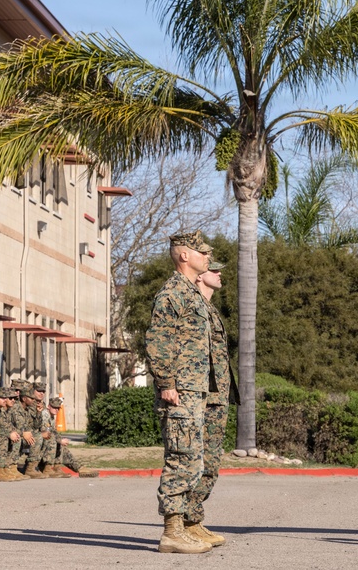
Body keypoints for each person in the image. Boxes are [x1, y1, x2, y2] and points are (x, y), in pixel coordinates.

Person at [145, 230, 216, 554]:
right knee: (181, 457)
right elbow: (158, 341)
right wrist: (167, 384)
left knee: (193, 460)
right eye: (202, 252)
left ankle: (183, 525)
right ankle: (171, 531)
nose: (208, 258)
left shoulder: (190, 292)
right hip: (180, 391)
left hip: (193, 389)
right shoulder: (173, 292)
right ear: (184, 255)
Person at [187, 260, 231, 547]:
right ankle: (186, 523)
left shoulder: (209, 308)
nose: (219, 274)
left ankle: (194, 519)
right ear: (200, 276)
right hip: (200, 397)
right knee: (194, 461)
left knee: (211, 462)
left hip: (216, 397)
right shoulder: (193, 307)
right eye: (213, 270)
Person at [40, 397, 98, 478]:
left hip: (45, 441)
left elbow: (54, 432)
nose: (56, 410)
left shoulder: (52, 417)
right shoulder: (45, 415)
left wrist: (60, 440)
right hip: (39, 441)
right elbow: (46, 433)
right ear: (48, 406)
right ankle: (48, 469)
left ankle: (62, 468)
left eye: (58, 408)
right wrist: (60, 440)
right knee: (55, 441)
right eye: (54, 407)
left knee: (61, 446)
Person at [0, 387, 27, 482]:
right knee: (3, 439)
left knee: (16, 437)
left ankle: (9, 468)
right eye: (2, 398)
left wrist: (15, 433)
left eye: (6, 398)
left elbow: (7, 426)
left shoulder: (0, 411)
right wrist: (8, 434)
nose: (5, 400)